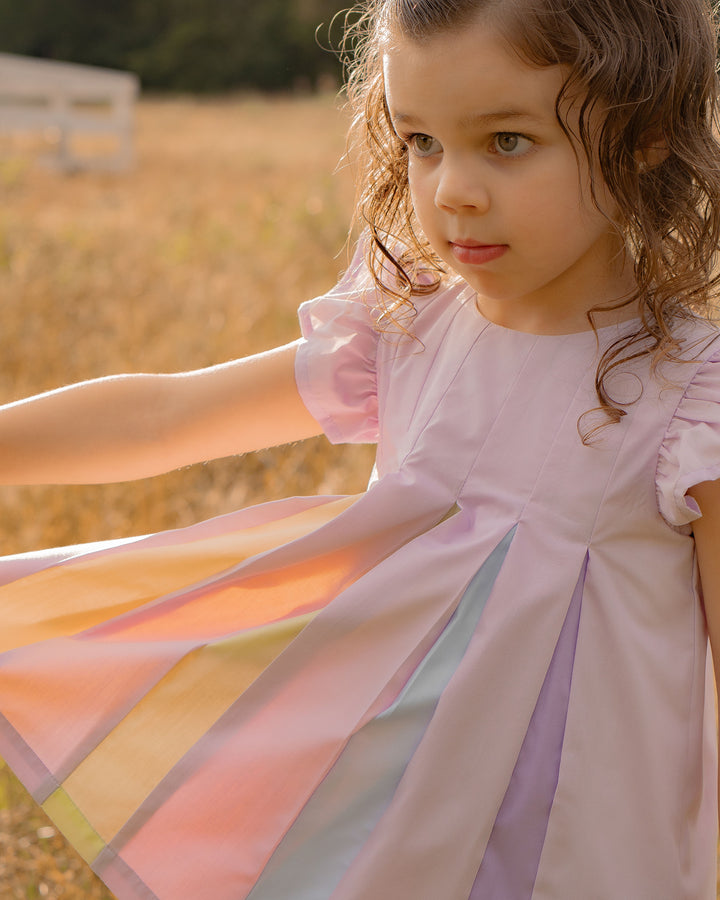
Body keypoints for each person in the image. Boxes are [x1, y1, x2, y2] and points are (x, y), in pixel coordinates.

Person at [1, 0, 720, 897]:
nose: (450, 188)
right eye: (421, 141)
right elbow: (166, 418)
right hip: (376, 834)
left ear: (646, 135)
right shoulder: (402, 327)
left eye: (506, 141)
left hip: (591, 850)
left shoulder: (694, 401)